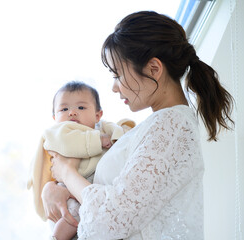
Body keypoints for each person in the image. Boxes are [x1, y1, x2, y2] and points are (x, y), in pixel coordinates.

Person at [41, 11, 235, 239]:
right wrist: (52, 189)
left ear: (154, 69)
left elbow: (113, 219)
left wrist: (66, 172)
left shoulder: (171, 125)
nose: (114, 87)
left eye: (117, 74)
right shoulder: (159, 125)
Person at [27, 81, 135, 240]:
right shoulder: (58, 133)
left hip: (92, 189)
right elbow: (68, 142)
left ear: (98, 115)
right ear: (54, 117)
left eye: (81, 108)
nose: (72, 113)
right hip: (67, 188)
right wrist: (98, 141)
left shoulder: (103, 129)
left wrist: (117, 135)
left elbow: (119, 134)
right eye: (64, 109)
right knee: (72, 214)